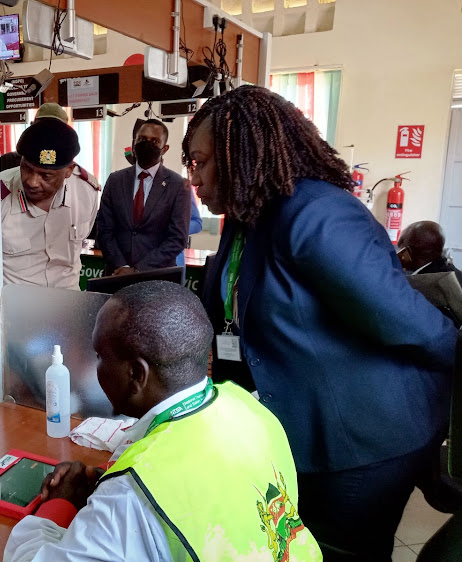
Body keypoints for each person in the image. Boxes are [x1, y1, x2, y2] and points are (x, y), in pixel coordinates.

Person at [184, 85, 457, 560]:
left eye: (201, 162)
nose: (195, 179)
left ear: (240, 153)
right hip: (302, 432)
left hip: (361, 443)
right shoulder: (249, 217)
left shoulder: (315, 213)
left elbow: (415, 326)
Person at [4, 281, 321, 561]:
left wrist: (59, 505)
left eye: (100, 355)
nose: (93, 365)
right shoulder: (247, 407)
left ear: (136, 375)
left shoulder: (132, 495)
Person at [0, 117, 99, 290]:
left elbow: (85, 233)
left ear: (69, 170)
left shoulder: (86, 190)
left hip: (68, 303)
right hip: (12, 307)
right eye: (27, 168)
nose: (32, 182)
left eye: (46, 175)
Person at [96, 119, 191, 276]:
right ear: (134, 143)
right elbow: (104, 230)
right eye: (142, 139)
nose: (147, 144)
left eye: (155, 141)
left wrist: (138, 270)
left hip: (157, 278)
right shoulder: (115, 180)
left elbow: (177, 239)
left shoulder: (178, 185)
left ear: (164, 148)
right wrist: (122, 266)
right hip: (115, 274)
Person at [398, 220, 462, 285]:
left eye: (401, 249)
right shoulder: (450, 270)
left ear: (408, 252)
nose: (399, 254)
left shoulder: (421, 284)